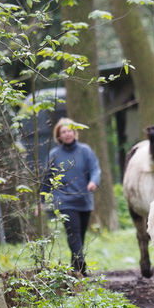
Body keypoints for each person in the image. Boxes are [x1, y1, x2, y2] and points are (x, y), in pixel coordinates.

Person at [41, 118, 101, 275]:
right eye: (63, 132)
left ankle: (75, 269)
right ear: (58, 136)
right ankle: (81, 265)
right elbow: (46, 179)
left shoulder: (85, 150)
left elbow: (95, 169)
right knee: (73, 232)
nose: (67, 134)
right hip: (64, 201)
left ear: (75, 132)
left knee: (79, 235)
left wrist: (93, 182)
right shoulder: (54, 154)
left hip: (84, 200)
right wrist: (40, 201)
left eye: (69, 131)